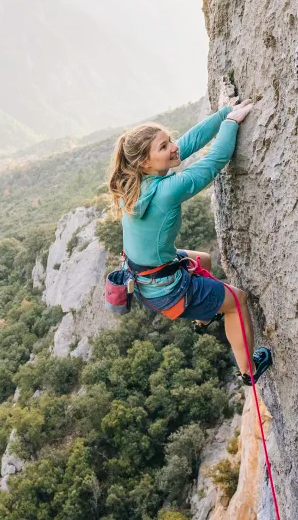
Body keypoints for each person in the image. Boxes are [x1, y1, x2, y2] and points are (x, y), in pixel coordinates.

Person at [107, 99, 273, 385]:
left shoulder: (132, 182)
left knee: (204, 260)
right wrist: (232, 124)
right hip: (165, 288)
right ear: (146, 162)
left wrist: (224, 113)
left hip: (147, 275)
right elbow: (216, 160)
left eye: (168, 140)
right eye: (163, 147)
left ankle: (203, 317)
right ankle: (249, 371)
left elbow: (188, 142)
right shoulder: (167, 191)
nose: (172, 147)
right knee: (237, 300)